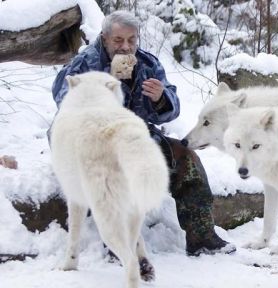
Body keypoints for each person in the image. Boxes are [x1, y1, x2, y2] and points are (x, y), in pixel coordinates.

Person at [51, 10, 235, 256]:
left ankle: (202, 237)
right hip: (93, 143)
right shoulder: (84, 64)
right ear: (105, 38)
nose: (126, 47)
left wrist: (161, 98)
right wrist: (104, 87)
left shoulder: (148, 64)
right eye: (118, 41)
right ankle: (119, 244)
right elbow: (62, 99)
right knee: (116, 170)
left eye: (132, 40)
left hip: (137, 138)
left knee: (187, 160)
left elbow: (172, 110)